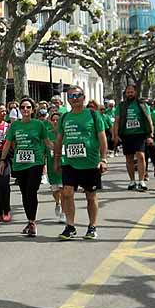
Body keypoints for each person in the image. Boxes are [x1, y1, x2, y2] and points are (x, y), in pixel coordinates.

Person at [54, 86, 108, 241]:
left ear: (83, 97)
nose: (74, 98)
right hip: (70, 162)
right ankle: (70, 226)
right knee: (67, 192)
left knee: (91, 195)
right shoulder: (64, 117)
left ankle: (92, 226)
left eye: (77, 95)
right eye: (71, 95)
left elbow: (102, 138)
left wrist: (103, 159)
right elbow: (58, 140)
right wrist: (57, 159)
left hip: (90, 163)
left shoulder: (93, 115)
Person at [0, 96, 54, 237]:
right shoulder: (15, 126)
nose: (25, 109)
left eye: (28, 107)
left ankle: (32, 222)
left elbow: (47, 142)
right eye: (22, 107)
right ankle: (30, 221)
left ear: (33, 109)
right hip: (20, 164)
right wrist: (3, 160)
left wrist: (59, 151)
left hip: (36, 162)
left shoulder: (39, 125)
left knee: (31, 191)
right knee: (24, 193)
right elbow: (7, 143)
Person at [114, 85, 154, 192]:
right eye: (128, 92)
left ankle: (141, 181)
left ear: (135, 93)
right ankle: (132, 181)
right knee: (129, 158)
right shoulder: (121, 106)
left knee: (141, 156)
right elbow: (117, 121)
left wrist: (150, 134)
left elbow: (149, 119)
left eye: (131, 92)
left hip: (140, 134)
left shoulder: (142, 105)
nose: (130, 94)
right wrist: (116, 135)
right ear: (125, 94)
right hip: (126, 135)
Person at [45, 110, 65, 224]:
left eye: (58, 120)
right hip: (51, 166)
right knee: (55, 190)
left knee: (63, 189)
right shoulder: (47, 134)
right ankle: (57, 203)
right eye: (53, 120)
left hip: (63, 164)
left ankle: (63, 212)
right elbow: (43, 150)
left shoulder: (66, 133)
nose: (55, 122)